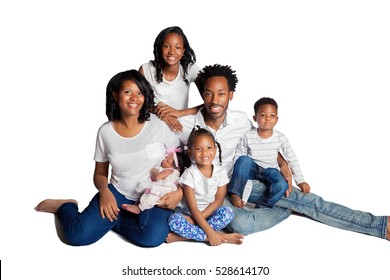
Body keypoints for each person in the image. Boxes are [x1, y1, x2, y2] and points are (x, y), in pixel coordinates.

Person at [176, 64, 390, 240]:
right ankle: (285, 210)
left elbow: (260, 142)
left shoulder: (240, 120)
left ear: (230, 95)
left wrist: (283, 164)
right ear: (202, 95)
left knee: (310, 201)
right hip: (210, 192)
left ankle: (381, 225)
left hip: (242, 184)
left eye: (221, 94)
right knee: (241, 224)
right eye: (209, 94)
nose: (215, 100)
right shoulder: (186, 124)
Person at [34, 70, 182, 247]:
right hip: (118, 194)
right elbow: (100, 173)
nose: (134, 98)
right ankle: (65, 206)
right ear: (115, 95)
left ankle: (114, 221)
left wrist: (178, 193)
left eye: (139, 93)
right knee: (76, 235)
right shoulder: (105, 132)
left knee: (152, 237)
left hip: (155, 194)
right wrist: (105, 193)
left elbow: (181, 161)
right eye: (128, 92)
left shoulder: (158, 125)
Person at [228, 97, 310, 209]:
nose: (267, 119)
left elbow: (292, 158)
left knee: (282, 185)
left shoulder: (280, 138)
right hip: (253, 168)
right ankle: (235, 193)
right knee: (243, 160)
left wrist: (300, 181)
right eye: (263, 115)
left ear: (277, 119)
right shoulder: (248, 136)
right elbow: (239, 156)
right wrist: (234, 175)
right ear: (255, 118)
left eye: (272, 115)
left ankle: (263, 205)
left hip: (270, 170)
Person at [167, 127, 244, 245]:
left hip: (208, 213)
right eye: (198, 149)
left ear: (215, 149)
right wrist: (210, 232)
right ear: (190, 152)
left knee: (228, 212)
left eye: (209, 148)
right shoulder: (189, 174)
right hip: (189, 214)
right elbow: (192, 208)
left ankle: (184, 237)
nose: (204, 153)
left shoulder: (220, 172)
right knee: (174, 221)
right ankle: (221, 237)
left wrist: (198, 220)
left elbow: (218, 201)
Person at [139, 26, 201, 132]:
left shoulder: (190, 69)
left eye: (177, 47)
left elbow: (211, 102)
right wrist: (159, 112)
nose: (172, 52)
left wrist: (178, 113)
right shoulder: (146, 69)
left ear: (183, 51)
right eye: (166, 46)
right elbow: (137, 103)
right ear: (159, 47)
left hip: (181, 126)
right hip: (152, 127)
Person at [121, 147, 181, 215]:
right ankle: (136, 206)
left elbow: (158, 177)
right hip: (164, 188)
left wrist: (153, 171)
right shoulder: (173, 172)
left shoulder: (170, 170)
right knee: (146, 194)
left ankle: (139, 208)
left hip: (162, 189)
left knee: (150, 195)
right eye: (166, 158)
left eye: (167, 160)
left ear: (176, 167)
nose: (164, 160)